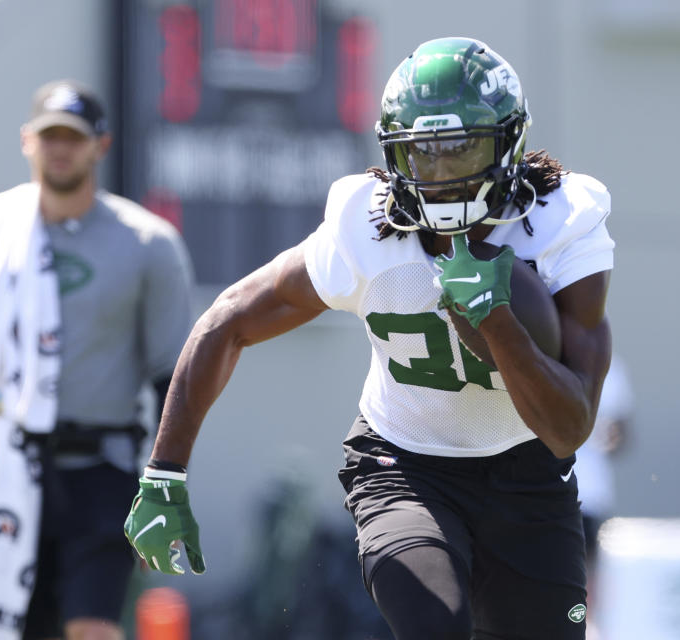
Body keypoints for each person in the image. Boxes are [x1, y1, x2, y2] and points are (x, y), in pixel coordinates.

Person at [125, 37, 614, 639]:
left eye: (460, 152)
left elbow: (569, 426)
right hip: (405, 464)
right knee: (436, 628)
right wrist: (165, 470)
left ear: (508, 145)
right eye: (423, 156)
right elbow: (228, 319)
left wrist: (497, 322)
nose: (440, 178)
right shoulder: (366, 229)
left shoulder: (561, 224)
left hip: (528, 470)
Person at [0, 80, 194, 640]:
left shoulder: (146, 244)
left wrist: (166, 485)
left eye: (73, 137)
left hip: (102, 470)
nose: (60, 149)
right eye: (50, 136)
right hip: (8, 471)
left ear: (101, 144)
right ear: (27, 141)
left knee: (92, 630)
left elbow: (172, 378)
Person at [572, 354, 633, 637]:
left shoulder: (610, 364)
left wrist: (613, 438)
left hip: (590, 488)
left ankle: (586, 623)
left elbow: (622, 432)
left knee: (587, 564)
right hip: (543, 485)